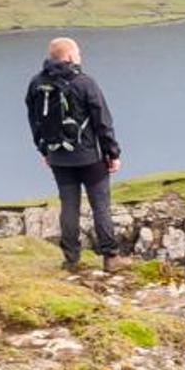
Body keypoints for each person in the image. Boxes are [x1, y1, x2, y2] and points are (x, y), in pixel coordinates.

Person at [25, 37, 122, 271]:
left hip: (58, 156)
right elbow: (103, 121)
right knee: (100, 205)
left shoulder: (37, 83)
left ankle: (71, 259)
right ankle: (110, 257)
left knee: (69, 206)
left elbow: (34, 120)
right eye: (78, 52)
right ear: (69, 56)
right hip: (90, 157)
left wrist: (44, 149)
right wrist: (112, 153)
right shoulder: (84, 83)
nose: (80, 56)